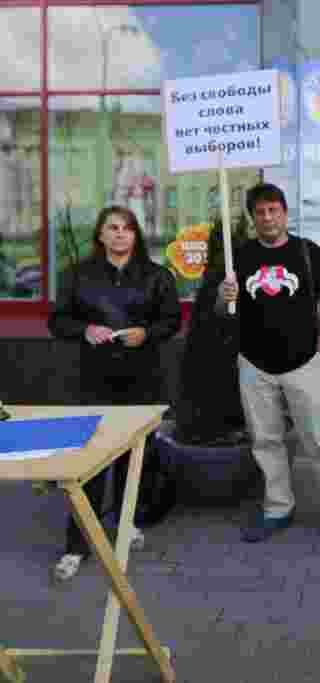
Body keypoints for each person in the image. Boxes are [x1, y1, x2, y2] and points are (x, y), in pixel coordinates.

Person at [218, 183, 320, 546]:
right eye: (260, 212)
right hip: (254, 363)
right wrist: (224, 297)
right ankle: (277, 508)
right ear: (253, 218)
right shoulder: (240, 256)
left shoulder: (307, 251)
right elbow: (223, 311)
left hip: (303, 362)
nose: (268, 218)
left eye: (274, 210)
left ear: (285, 214)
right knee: (266, 440)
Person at [48, 206, 182, 582]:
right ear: (101, 235)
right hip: (93, 381)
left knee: (133, 460)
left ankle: (125, 526)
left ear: (135, 235)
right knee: (88, 463)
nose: (120, 234)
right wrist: (85, 330)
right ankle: (76, 545)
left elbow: (172, 320)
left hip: (142, 380)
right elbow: (57, 321)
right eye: (113, 227)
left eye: (127, 228)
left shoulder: (157, 276)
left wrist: (147, 333)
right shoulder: (78, 275)